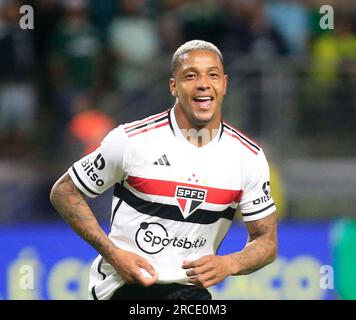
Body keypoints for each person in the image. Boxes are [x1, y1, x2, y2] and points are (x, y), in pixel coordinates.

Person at [50, 40, 278, 300]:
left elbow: (266, 241)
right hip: (123, 289)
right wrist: (113, 253)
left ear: (224, 84)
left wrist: (230, 264)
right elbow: (65, 192)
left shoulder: (248, 157)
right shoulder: (130, 141)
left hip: (190, 293)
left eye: (212, 75)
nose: (203, 83)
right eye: (190, 76)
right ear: (174, 86)